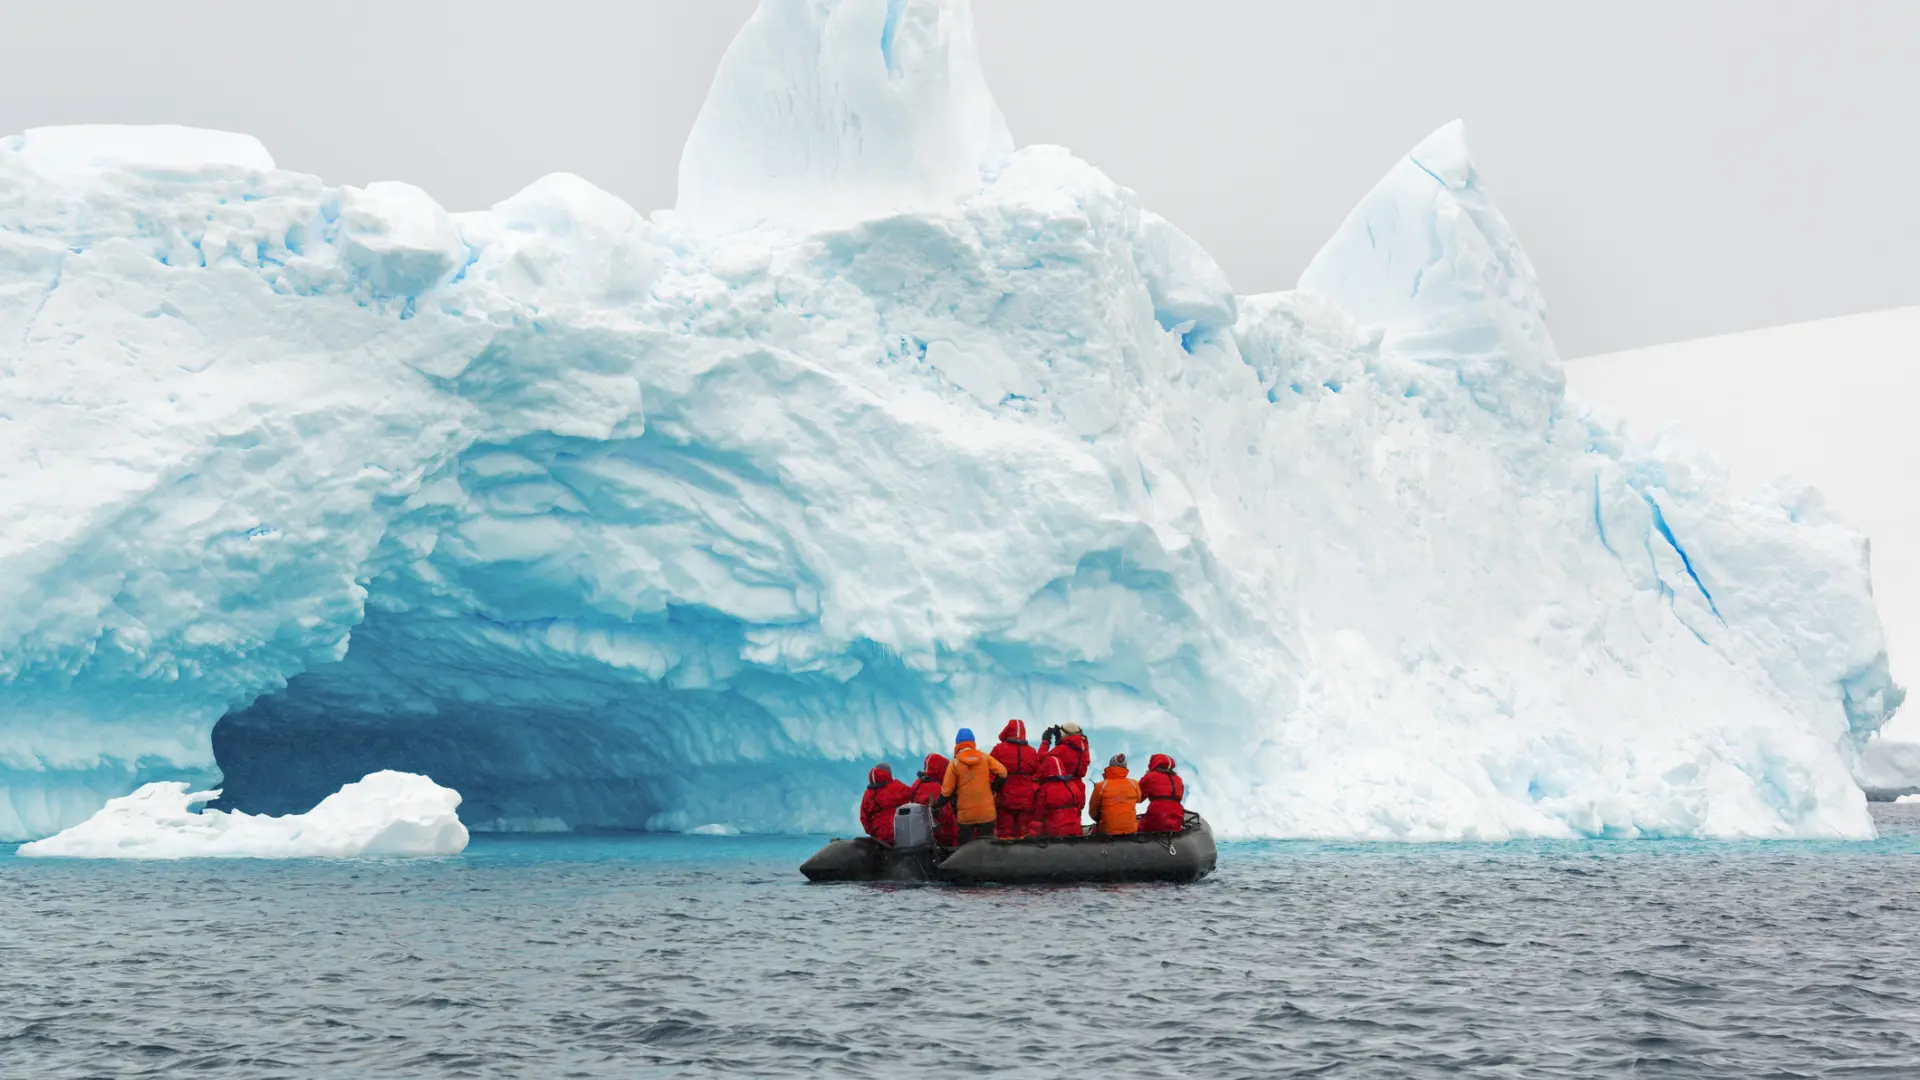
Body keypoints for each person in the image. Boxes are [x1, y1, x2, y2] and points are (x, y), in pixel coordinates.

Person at [936, 727, 1006, 845]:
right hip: (986, 813)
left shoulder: (955, 763)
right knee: (987, 848)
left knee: (965, 850)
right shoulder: (984, 758)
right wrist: (994, 788)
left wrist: (936, 805)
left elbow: (947, 791)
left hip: (966, 816)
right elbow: (1003, 772)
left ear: (957, 744)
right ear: (973, 743)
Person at [989, 719, 1044, 838]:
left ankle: (1005, 854)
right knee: (1024, 834)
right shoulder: (1031, 751)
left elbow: (990, 772)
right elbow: (1038, 772)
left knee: (1005, 835)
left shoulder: (999, 749)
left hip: (1005, 800)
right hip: (1026, 800)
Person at [907, 752, 958, 847]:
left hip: (918, 835)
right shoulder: (936, 789)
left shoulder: (917, 784)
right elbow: (947, 817)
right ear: (939, 769)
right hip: (939, 838)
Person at [1088, 753, 1144, 835]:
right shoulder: (1133, 783)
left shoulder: (1101, 786)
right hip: (1131, 830)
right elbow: (1139, 799)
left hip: (1107, 831)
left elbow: (1093, 812)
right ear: (1125, 766)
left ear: (1110, 765)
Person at [858, 762, 913, 846]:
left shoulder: (867, 794)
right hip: (898, 833)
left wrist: (874, 833)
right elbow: (913, 796)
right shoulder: (897, 787)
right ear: (888, 774)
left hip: (879, 837)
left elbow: (864, 819)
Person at [1040, 722, 1091, 809]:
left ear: (1063, 733)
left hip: (1062, 792)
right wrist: (1060, 741)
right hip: (1078, 792)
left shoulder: (1061, 749)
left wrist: (1045, 741)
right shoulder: (1084, 749)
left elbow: (1041, 759)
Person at [1032, 756, 1083, 838]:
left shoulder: (1044, 789)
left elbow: (1039, 812)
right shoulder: (1073, 785)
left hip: (1056, 832)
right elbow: (1080, 805)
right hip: (1075, 829)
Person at [1137, 753, 1186, 833]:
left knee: (1138, 827)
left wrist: (1146, 776)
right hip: (1176, 817)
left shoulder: (1150, 776)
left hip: (1157, 815)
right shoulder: (1178, 779)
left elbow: (1138, 797)